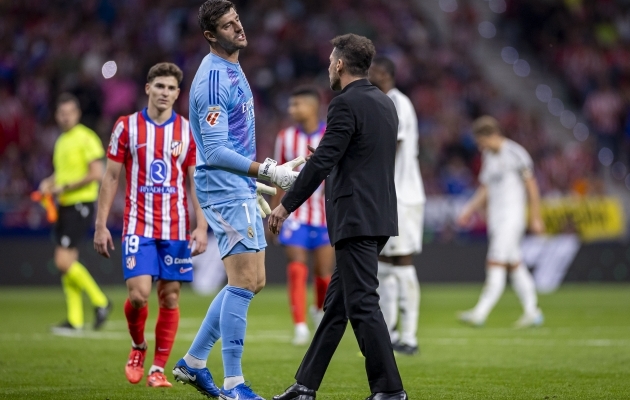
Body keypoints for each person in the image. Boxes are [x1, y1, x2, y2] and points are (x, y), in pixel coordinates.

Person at [171, 1, 304, 399]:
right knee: (244, 280)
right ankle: (233, 385)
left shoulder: (232, 66)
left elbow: (233, 137)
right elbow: (211, 150)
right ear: (211, 35)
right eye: (228, 26)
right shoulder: (213, 79)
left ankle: (193, 364)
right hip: (222, 188)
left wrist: (255, 180)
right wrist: (267, 172)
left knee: (253, 281)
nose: (239, 28)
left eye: (238, 20)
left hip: (237, 187)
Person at [270, 34, 407, 400]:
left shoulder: (344, 104)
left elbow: (322, 164)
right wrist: (332, 155)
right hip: (377, 214)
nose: (330, 67)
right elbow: (363, 155)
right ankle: (305, 385)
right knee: (336, 308)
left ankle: (390, 390)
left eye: (332, 61)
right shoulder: (384, 103)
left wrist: (286, 205)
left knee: (362, 303)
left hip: (355, 216)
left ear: (341, 65)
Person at [93, 62, 208, 388]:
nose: (165, 93)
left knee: (170, 298)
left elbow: (194, 182)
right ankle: (138, 346)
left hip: (175, 228)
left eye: (171, 88)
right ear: (147, 88)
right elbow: (111, 176)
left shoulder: (187, 130)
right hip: (138, 225)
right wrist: (100, 225)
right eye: (160, 86)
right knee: (140, 295)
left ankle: (158, 368)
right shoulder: (126, 127)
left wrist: (201, 227)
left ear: (177, 93)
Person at [457, 115, 545, 328]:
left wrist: (535, 217)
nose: (480, 146)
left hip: (512, 217)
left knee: (495, 262)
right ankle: (533, 311)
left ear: (492, 135)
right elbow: (485, 188)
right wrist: (469, 209)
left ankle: (480, 313)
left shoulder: (516, 153)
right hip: (497, 219)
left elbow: (532, 187)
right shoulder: (489, 155)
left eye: (481, 141)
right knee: (515, 265)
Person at [38, 93, 111, 333]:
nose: (66, 117)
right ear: (57, 116)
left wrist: (64, 187)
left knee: (62, 260)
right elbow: (62, 175)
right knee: (67, 263)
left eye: (70, 112)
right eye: (62, 113)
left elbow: (96, 172)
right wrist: (48, 183)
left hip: (80, 203)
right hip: (65, 205)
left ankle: (101, 301)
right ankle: (75, 319)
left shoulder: (86, 137)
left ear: (77, 114)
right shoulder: (61, 141)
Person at [369, 56, 425, 356]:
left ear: (385, 74)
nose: (368, 75)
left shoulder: (397, 102)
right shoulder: (386, 100)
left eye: (373, 71)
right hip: (391, 195)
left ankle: (410, 335)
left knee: (402, 260)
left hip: (404, 195)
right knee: (385, 264)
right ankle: (389, 332)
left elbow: (395, 144)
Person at [271, 86, 334, 346]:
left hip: (324, 213)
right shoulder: (284, 137)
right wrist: (276, 210)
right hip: (295, 212)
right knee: (297, 267)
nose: (291, 110)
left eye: (296, 105)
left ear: (312, 107)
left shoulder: (330, 135)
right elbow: (277, 176)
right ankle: (299, 326)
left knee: (323, 272)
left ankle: (318, 311)